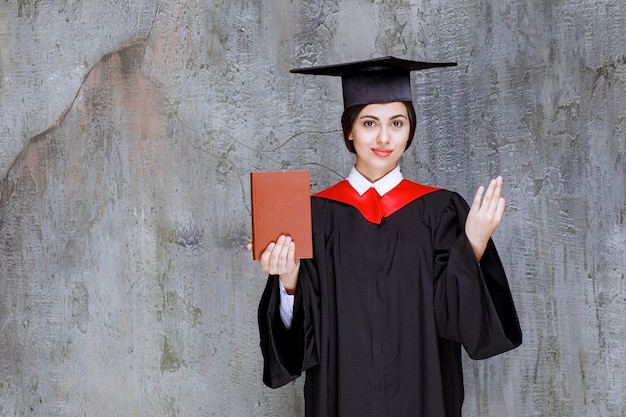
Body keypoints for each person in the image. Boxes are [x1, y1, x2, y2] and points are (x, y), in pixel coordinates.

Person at [248, 56, 522, 417]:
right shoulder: (315, 215)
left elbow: (463, 323)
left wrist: (473, 243)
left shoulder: (440, 211)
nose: (383, 137)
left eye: (397, 122)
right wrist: (288, 280)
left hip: (424, 396)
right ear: (349, 130)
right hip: (342, 398)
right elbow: (297, 349)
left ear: (410, 129)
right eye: (369, 123)